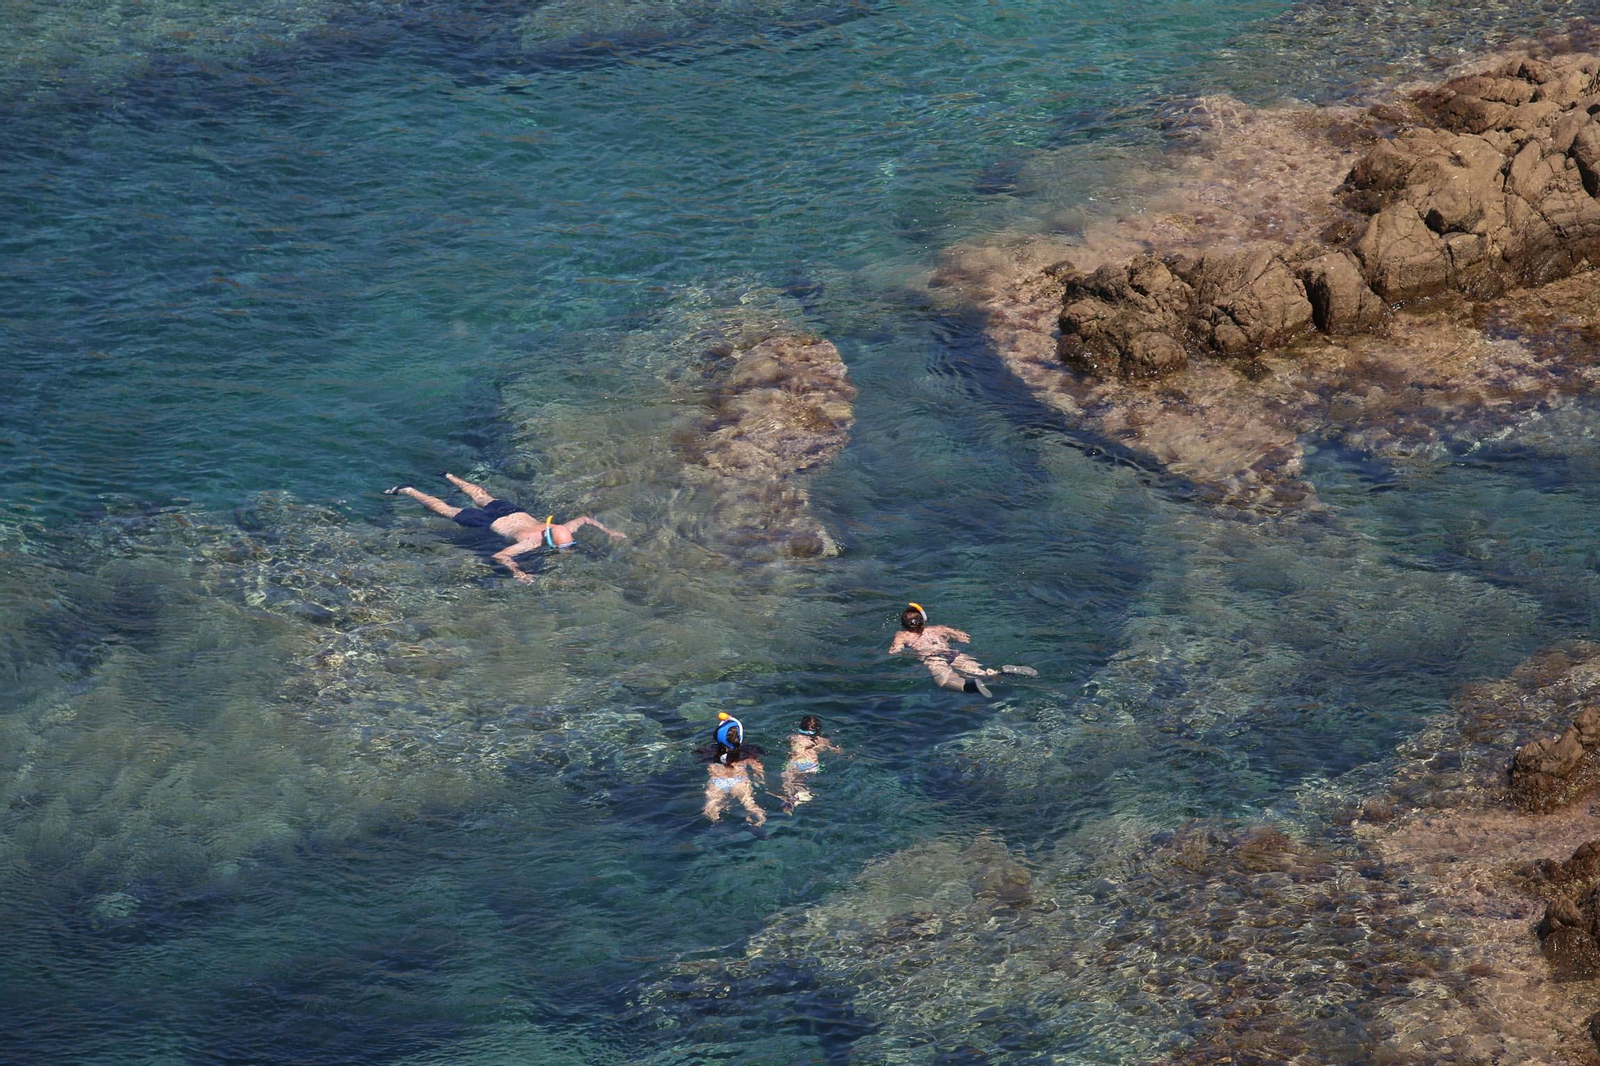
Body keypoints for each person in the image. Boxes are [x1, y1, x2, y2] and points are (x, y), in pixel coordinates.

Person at [384, 472, 625, 583]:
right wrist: (518, 572)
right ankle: (408, 490)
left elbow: (584, 518)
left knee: (481, 496)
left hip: (511, 512)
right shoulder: (530, 543)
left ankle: (449, 476)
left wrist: (609, 531)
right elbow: (499, 555)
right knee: (444, 510)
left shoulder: (562, 528)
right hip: (489, 523)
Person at [888, 601, 1036, 698]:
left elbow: (894, 651)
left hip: (934, 658)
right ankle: (1001, 672)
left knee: (945, 680)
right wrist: (960, 637)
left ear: (904, 624)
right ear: (923, 620)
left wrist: (905, 652)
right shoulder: (938, 629)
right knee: (982, 673)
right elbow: (963, 637)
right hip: (953, 653)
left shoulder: (902, 635)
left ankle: (969, 686)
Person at [701, 713, 767, 827]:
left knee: (710, 808)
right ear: (739, 738)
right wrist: (759, 777)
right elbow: (757, 766)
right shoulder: (748, 751)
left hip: (717, 782)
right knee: (750, 805)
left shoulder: (708, 751)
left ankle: (718, 824)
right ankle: (757, 824)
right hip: (739, 780)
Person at [780, 714, 839, 813]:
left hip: (795, 763)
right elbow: (836, 751)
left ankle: (791, 798)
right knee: (802, 780)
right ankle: (801, 795)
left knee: (788, 781)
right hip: (811, 764)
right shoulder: (823, 741)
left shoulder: (793, 738)